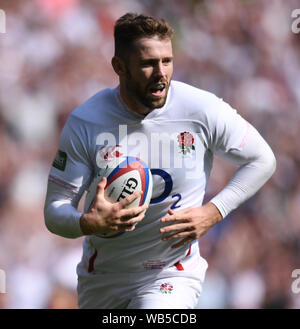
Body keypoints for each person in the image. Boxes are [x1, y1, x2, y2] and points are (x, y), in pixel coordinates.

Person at [44, 13, 276, 309]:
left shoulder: (200, 109)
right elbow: (54, 210)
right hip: (103, 278)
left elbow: (262, 159)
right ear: (119, 67)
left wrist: (213, 212)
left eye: (167, 61)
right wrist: (87, 223)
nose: (161, 73)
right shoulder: (86, 122)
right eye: (148, 63)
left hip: (171, 273)